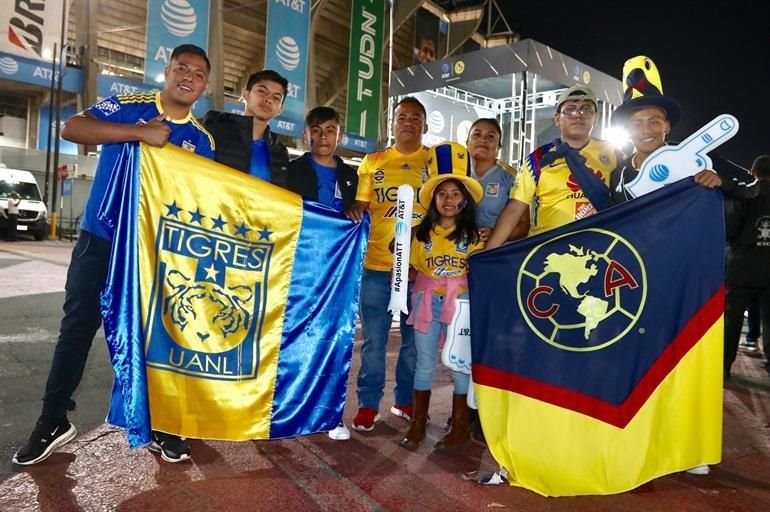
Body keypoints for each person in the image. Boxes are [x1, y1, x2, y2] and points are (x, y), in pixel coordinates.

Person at [12, 44, 216, 466]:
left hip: (154, 252)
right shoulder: (129, 105)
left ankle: (162, 422)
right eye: (182, 68)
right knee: (77, 329)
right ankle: (53, 419)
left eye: (198, 74)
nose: (189, 77)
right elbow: (73, 128)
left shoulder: (202, 140)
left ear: (205, 86)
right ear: (166, 72)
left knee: (160, 337)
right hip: (100, 239)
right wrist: (139, 133)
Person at [346, 97, 430, 431]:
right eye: (402, 117)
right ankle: (368, 404)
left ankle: (404, 400)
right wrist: (354, 210)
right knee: (374, 342)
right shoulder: (373, 161)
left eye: (415, 117)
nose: (408, 122)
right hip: (376, 267)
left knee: (413, 344)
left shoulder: (434, 161)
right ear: (392, 123)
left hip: (418, 271)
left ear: (425, 125)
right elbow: (361, 206)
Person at [400, 142, 484, 450]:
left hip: (461, 307)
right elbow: (409, 269)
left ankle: (460, 426)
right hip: (425, 304)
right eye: (442, 194)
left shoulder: (475, 237)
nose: (449, 200)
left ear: (466, 200)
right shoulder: (419, 236)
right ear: (433, 199)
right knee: (424, 362)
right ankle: (418, 423)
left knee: (460, 364)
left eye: (456, 194)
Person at [609, 56, 757, 205]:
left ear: (667, 126)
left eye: (654, 122)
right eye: (636, 124)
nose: (646, 130)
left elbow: (752, 185)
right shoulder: (619, 176)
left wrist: (722, 181)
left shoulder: (694, 155)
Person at [486, 85, 619, 249]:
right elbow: (514, 209)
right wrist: (487, 252)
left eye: (586, 109)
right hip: (548, 252)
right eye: (570, 109)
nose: (578, 115)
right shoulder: (537, 158)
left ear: (596, 118)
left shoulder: (614, 154)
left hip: (598, 250)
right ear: (557, 119)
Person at [724, 155, 770, 380]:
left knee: (732, 320)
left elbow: (730, 229)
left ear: (753, 173)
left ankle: (724, 366)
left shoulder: (744, 193)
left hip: (742, 266)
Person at [203, 70, 290, 187]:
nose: (268, 100)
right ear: (245, 94)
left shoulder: (280, 153)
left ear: (280, 110)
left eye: (276, 98)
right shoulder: (216, 130)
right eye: (262, 91)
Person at [467, 118, 529, 244]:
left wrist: (496, 233)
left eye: (490, 136)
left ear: (499, 146)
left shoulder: (511, 179)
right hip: (458, 251)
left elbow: (524, 225)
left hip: (496, 251)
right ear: (467, 142)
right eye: (477, 134)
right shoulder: (457, 174)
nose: (483, 140)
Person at [287, 106, 358, 213]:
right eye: (316, 130)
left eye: (330, 131)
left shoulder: (351, 177)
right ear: (305, 136)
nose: (323, 136)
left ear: (339, 137)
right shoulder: (291, 171)